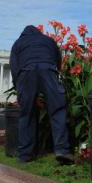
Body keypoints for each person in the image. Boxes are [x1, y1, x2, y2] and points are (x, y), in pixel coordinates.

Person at [9, 25, 74, 165]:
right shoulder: (48, 40)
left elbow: (14, 67)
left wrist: (19, 88)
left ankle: (25, 155)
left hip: (26, 73)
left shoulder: (18, 43)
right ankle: (62, 150)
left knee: (27, 114)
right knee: (57, 110)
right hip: (48, 70)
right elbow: (58, 60)